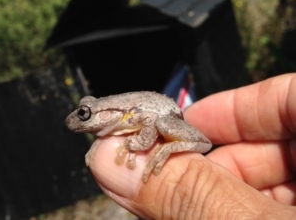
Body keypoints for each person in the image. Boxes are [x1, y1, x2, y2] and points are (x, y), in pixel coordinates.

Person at [86, 74, 296, 219]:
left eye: (85, 115)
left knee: (161, 123)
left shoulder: (126, 117)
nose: (80, 120)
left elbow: (149, 117)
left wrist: (143, 144)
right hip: (159, 112)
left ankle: (174, 147)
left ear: (104, 112)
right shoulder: (117, 119)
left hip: (168, 116)